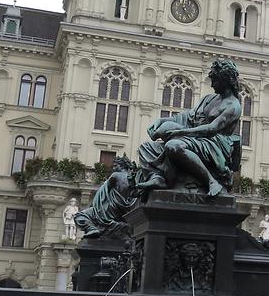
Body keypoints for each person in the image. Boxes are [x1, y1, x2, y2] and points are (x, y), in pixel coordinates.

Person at [137, 59, 242, 197]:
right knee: (146, 147)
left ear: (225, 80)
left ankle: (211, 181)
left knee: (173, 146)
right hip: (195, 137)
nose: (212, 84)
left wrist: (179, 132)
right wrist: (162, 120)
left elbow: (211, 129)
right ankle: (158, 178)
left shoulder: (233, 106)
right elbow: (187, 117)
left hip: (213, 143)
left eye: (215, 80)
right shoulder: (209, 99)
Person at [74, 156, 139, 239]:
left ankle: (92, 229)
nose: (114, 168)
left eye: (116, 166)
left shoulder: (115, 175)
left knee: (80, 215)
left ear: (122, 166)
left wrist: (95, 205)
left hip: (108, 210)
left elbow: (103, 191)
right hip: (125, 212)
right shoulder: (135, 179)